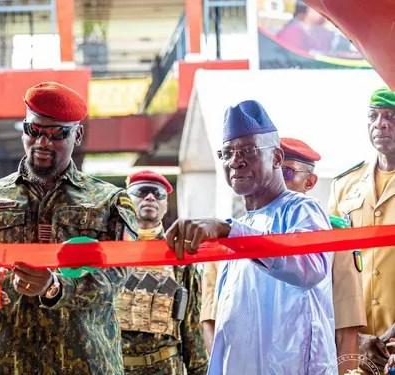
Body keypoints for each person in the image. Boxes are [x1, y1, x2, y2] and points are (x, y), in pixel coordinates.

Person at [0, 81, 138, 374]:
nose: (43, 143)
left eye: (57, 134)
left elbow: (118, 275)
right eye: (34, 131)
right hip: (2, 364)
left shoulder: (109, 201)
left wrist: (56, 287)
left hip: (85, 365)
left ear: (77, 134)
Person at [168, 100, 336, 373]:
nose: (235, 160)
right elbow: (228, 326)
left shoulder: (303, 210)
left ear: (277, 158)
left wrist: (230, 230)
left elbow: (311, 268)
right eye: (227, 152)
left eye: (248, 150)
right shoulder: (240, 227)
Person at [201, 137, 366, 374]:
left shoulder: (331, 239)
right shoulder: (231, 234)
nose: (277, 178)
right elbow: (213, 321)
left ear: (310, 182)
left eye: (287, 172)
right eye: (272, 169)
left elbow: (346, 330)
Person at [116, 170, 208, 374]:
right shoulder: (110, 250)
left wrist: (200, 370)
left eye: (158, 194)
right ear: (126, 199)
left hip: (165, 366)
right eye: (142, 191)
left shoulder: (179, 255)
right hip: (115, 367)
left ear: (166, 205)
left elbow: (192, 324)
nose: (150, 197)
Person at [330, 88, 395, 372]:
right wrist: (355, 337)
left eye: (390, 116)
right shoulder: (345, 185)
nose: (380, 124)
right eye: (373, 116)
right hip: (355, 345)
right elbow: (329, 267)